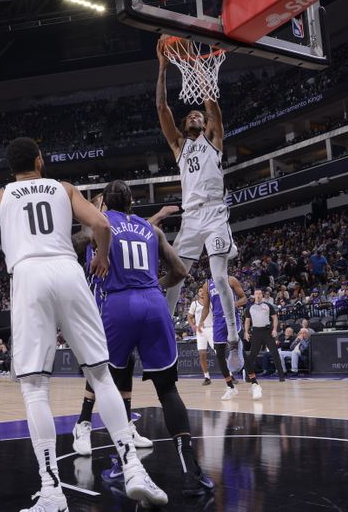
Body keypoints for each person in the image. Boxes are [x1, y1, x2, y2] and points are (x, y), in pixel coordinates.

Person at [0, 138, 167, 511]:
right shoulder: (63, 188)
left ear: (10, 168)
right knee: (102, 375)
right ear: (40, 161)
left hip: (28, 276)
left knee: (36, 388)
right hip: (68, 271)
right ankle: (133, 468)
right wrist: (101, 258)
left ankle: (52, 490)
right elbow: (102, 223)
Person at [90, 180, 214, 496]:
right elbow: (181, 272)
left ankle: (124, 466)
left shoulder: (101, 225)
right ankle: (192, 472)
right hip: (153, 302)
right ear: (132, 201)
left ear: (107, 204)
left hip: (118, 305)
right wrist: (154, 284)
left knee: (113, 388)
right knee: (167, 389)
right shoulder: (151, 229)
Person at [156, 36, 240, 351]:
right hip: (191, 217)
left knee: (219, 278)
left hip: (216, 213)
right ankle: (163, 331)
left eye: (199, 116)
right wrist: (164, 66)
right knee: (176, 276)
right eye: (190, 115)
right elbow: (161, 106)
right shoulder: (179, 146)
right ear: (184, 123)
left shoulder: (214, 138)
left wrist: (196, 66)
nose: (195, 116)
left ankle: (232, 336)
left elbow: (211, 102)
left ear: (205, 124)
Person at [199, 275, 248, 400]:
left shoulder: (231, 280)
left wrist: (234, 304)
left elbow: (244, 299)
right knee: (219, 355)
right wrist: (200, 322)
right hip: (218, 322)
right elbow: (206, 307)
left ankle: (255, 384)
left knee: (240, 350)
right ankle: (230, 387)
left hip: (232, 319)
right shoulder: (207, 284)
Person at [243, 288, 282, 400]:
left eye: (260, 293)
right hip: (256, 332)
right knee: (252, 356)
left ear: (262, 295)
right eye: (257, 293)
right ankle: (248, 377)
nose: (258, 295)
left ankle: (281, 377)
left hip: (267, 331)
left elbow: (275, 318)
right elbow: (247, 321)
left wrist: (274, 329)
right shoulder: (250, 307)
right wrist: (246, 332)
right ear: (254, 295)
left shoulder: (268, 306)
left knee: (275, 353)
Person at [188, 286, 214, 385]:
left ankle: (229, 374)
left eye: (203, 290)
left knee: (219, 352)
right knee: (202, 354)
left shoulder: (211, 302)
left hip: (211, 328)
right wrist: (192, 326)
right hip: (200, 331)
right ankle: (207, 377)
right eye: (199, 291)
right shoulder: (194, 304)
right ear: (198, 293)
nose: (202, 292)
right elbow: (189, 316)